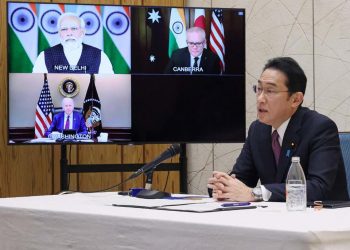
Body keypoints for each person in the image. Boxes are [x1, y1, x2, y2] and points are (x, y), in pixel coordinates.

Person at [208, 57, 349, 202]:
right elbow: (242, 179)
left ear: (296, 99)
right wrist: (222, 185)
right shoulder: (257, 130)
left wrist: (256, 193)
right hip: (274, 217)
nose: (260, 99)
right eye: (259, 89)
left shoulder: (320, 128)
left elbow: (318, 188)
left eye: (270, 91)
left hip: (322, 219)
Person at [33, 12, 114, 74]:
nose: (69, 33)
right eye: (64, 29)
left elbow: (108, 85)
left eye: (74, 28)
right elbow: (36, 84)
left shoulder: (99, 55)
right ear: (59, 33)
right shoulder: (45, 56)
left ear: (82, 32)